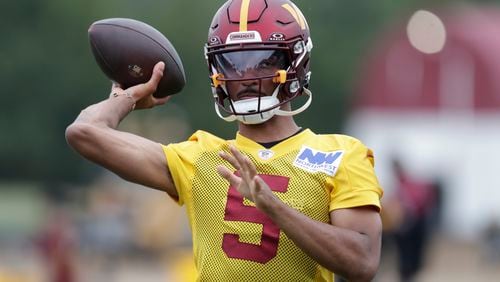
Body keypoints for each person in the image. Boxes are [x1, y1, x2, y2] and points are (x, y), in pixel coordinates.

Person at [66, 0, 383, 281]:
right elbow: (84, 133)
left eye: (262, 61)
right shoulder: (199, 157)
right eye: (231, 63)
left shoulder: (342, 154)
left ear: (295, 64)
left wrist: (273, 207)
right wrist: (128, 98)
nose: (244, 77)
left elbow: (362, 262)